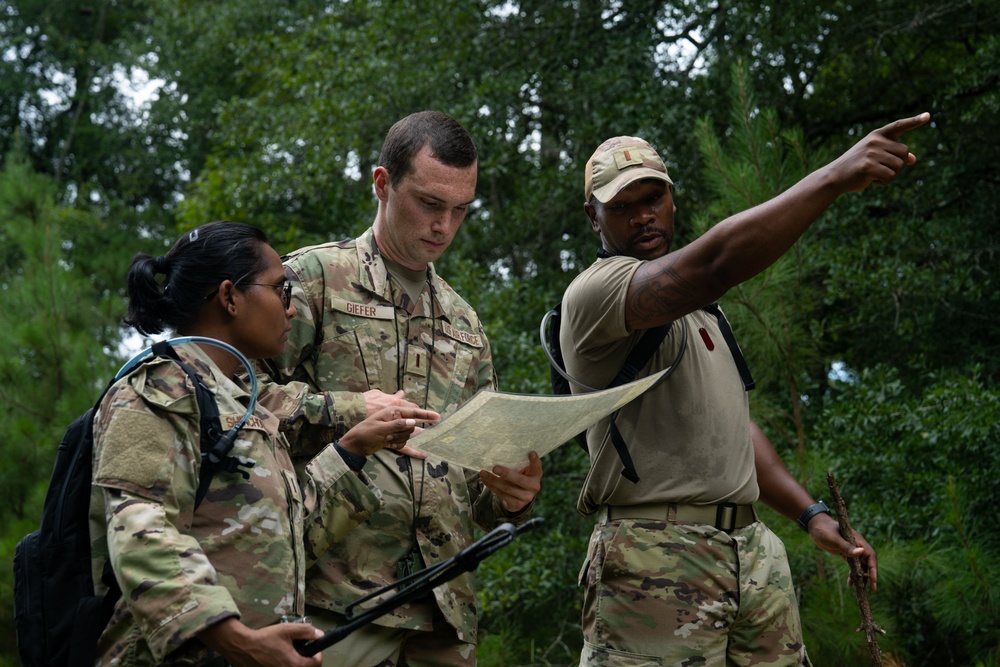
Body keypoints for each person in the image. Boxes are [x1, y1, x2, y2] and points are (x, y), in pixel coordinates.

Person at [560, 113, 931, 666]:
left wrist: (812, 516)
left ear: (672, 199)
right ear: (594, 217)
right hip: (654, 559)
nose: (642, 216)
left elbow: (733, 426)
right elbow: (715, 263)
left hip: (750, 553)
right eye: (621, 205)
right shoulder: (596, 296)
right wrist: (832, 176)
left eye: (653, 197)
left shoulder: (703, 314)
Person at [256, 110, 543, 666]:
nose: (445, 226)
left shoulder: (465, 323)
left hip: (441, 614)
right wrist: (347, 410)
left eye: (461, 210)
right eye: (431, 204)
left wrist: (511, 495)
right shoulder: (312, 282)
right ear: (382, 184)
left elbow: (474, 488)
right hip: (334, 602)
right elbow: (235, 405)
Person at [89, 221, 440, 667]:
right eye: (281, 291)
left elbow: (283, 539)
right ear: (230, 297)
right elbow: (140, 532)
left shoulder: (244, 406)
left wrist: (351, 452)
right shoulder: (158, 391)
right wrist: (236, 639)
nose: (291, 310)